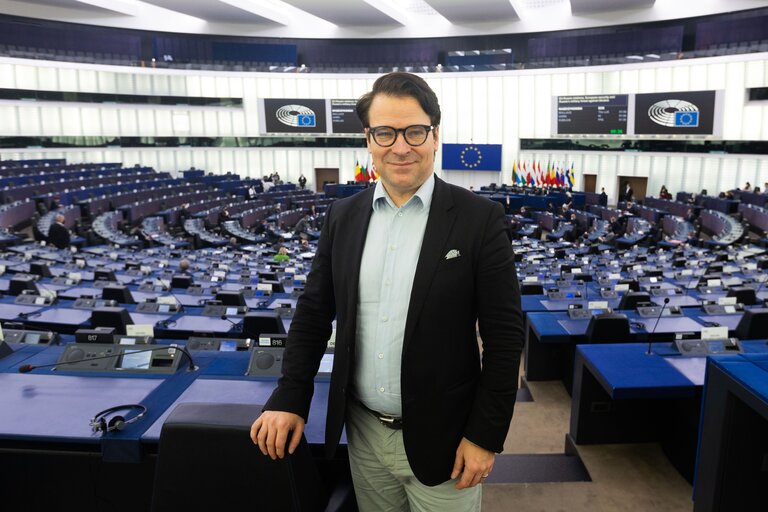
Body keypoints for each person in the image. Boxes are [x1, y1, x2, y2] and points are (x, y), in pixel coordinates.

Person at [250, 72, 524, 511]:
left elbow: (506, 339)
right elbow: (315, 313)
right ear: (369, 139)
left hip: (448, 440)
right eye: (385, 132)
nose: (401, 146)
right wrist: (290, 396)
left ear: (435, 135)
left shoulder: (479, 219)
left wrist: (485, 436)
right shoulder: (343, 216)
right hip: (362, 435)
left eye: (415, 131)